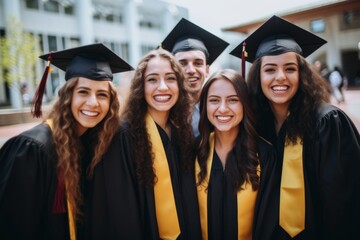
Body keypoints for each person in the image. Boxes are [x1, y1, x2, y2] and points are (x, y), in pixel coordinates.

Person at [230, 15, 360, 240]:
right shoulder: (257, 126)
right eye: (270, 69)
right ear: (258, 76)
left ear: (303, 75)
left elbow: (346, 205)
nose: (280, 77)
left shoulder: (328, 123)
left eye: (290, 68)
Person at [0, 43, 137, 240]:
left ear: (111, 103)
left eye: (102, 94)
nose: (93, 102)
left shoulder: (93, 146)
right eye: (83, 92)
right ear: (67, 96)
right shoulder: (32, 149)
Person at [110, 47, 201, 239]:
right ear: (140, 87)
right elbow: (121, 210)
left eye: (170, 78)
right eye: (152, 79)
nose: (162, 87)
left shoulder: (182, 133)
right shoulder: (124, 136)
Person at [195, 69, 274, 239]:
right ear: (204, 106)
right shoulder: (192, 152)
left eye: (232, 100)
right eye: (214, 100)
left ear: (244, 105)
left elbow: (269, 221)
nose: (223, 109)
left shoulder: (265, 155)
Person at [161, 18, 229, 136]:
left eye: (198, 63)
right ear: (172, 71)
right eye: (182, 63)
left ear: (207, 70)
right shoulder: (163, 111)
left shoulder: (221, 108)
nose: (191, 70)